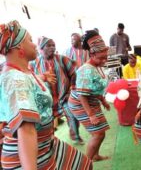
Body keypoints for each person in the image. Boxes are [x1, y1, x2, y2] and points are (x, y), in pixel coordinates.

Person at [0, 20, 92, 169]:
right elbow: (26, 130)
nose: (35, 44)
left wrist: (43, 78)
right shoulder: (16, 79)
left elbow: (30, 83)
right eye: (30, 40)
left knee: (83, 164)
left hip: (46, 143)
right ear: (19, 48)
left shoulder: (23, 72)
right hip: (28, 155)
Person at [30, 36, 84, 144]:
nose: (52, 48)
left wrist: (72, 89)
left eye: (53, 45)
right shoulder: (33, 63)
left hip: (63, 96)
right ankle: (50, 142)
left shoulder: (61, 59)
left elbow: (74, 72)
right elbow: (30, 80)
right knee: (47, 124)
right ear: (41, 47)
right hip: (46, 101)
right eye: (49, 45)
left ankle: (76, 136)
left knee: (72, 116)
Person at [68, 30, 111, 162]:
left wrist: (103, 100)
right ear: (92, 54)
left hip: (91, 100)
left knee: (100, 132)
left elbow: (94, 88)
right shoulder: (86, 70)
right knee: (98, 134)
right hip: (80, 103)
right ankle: (86, 163)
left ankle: (95, 156)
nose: (104, 60)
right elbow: (82, 95)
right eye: (101, 58)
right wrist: (91, 114)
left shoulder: (97, 66)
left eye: (106, 56)